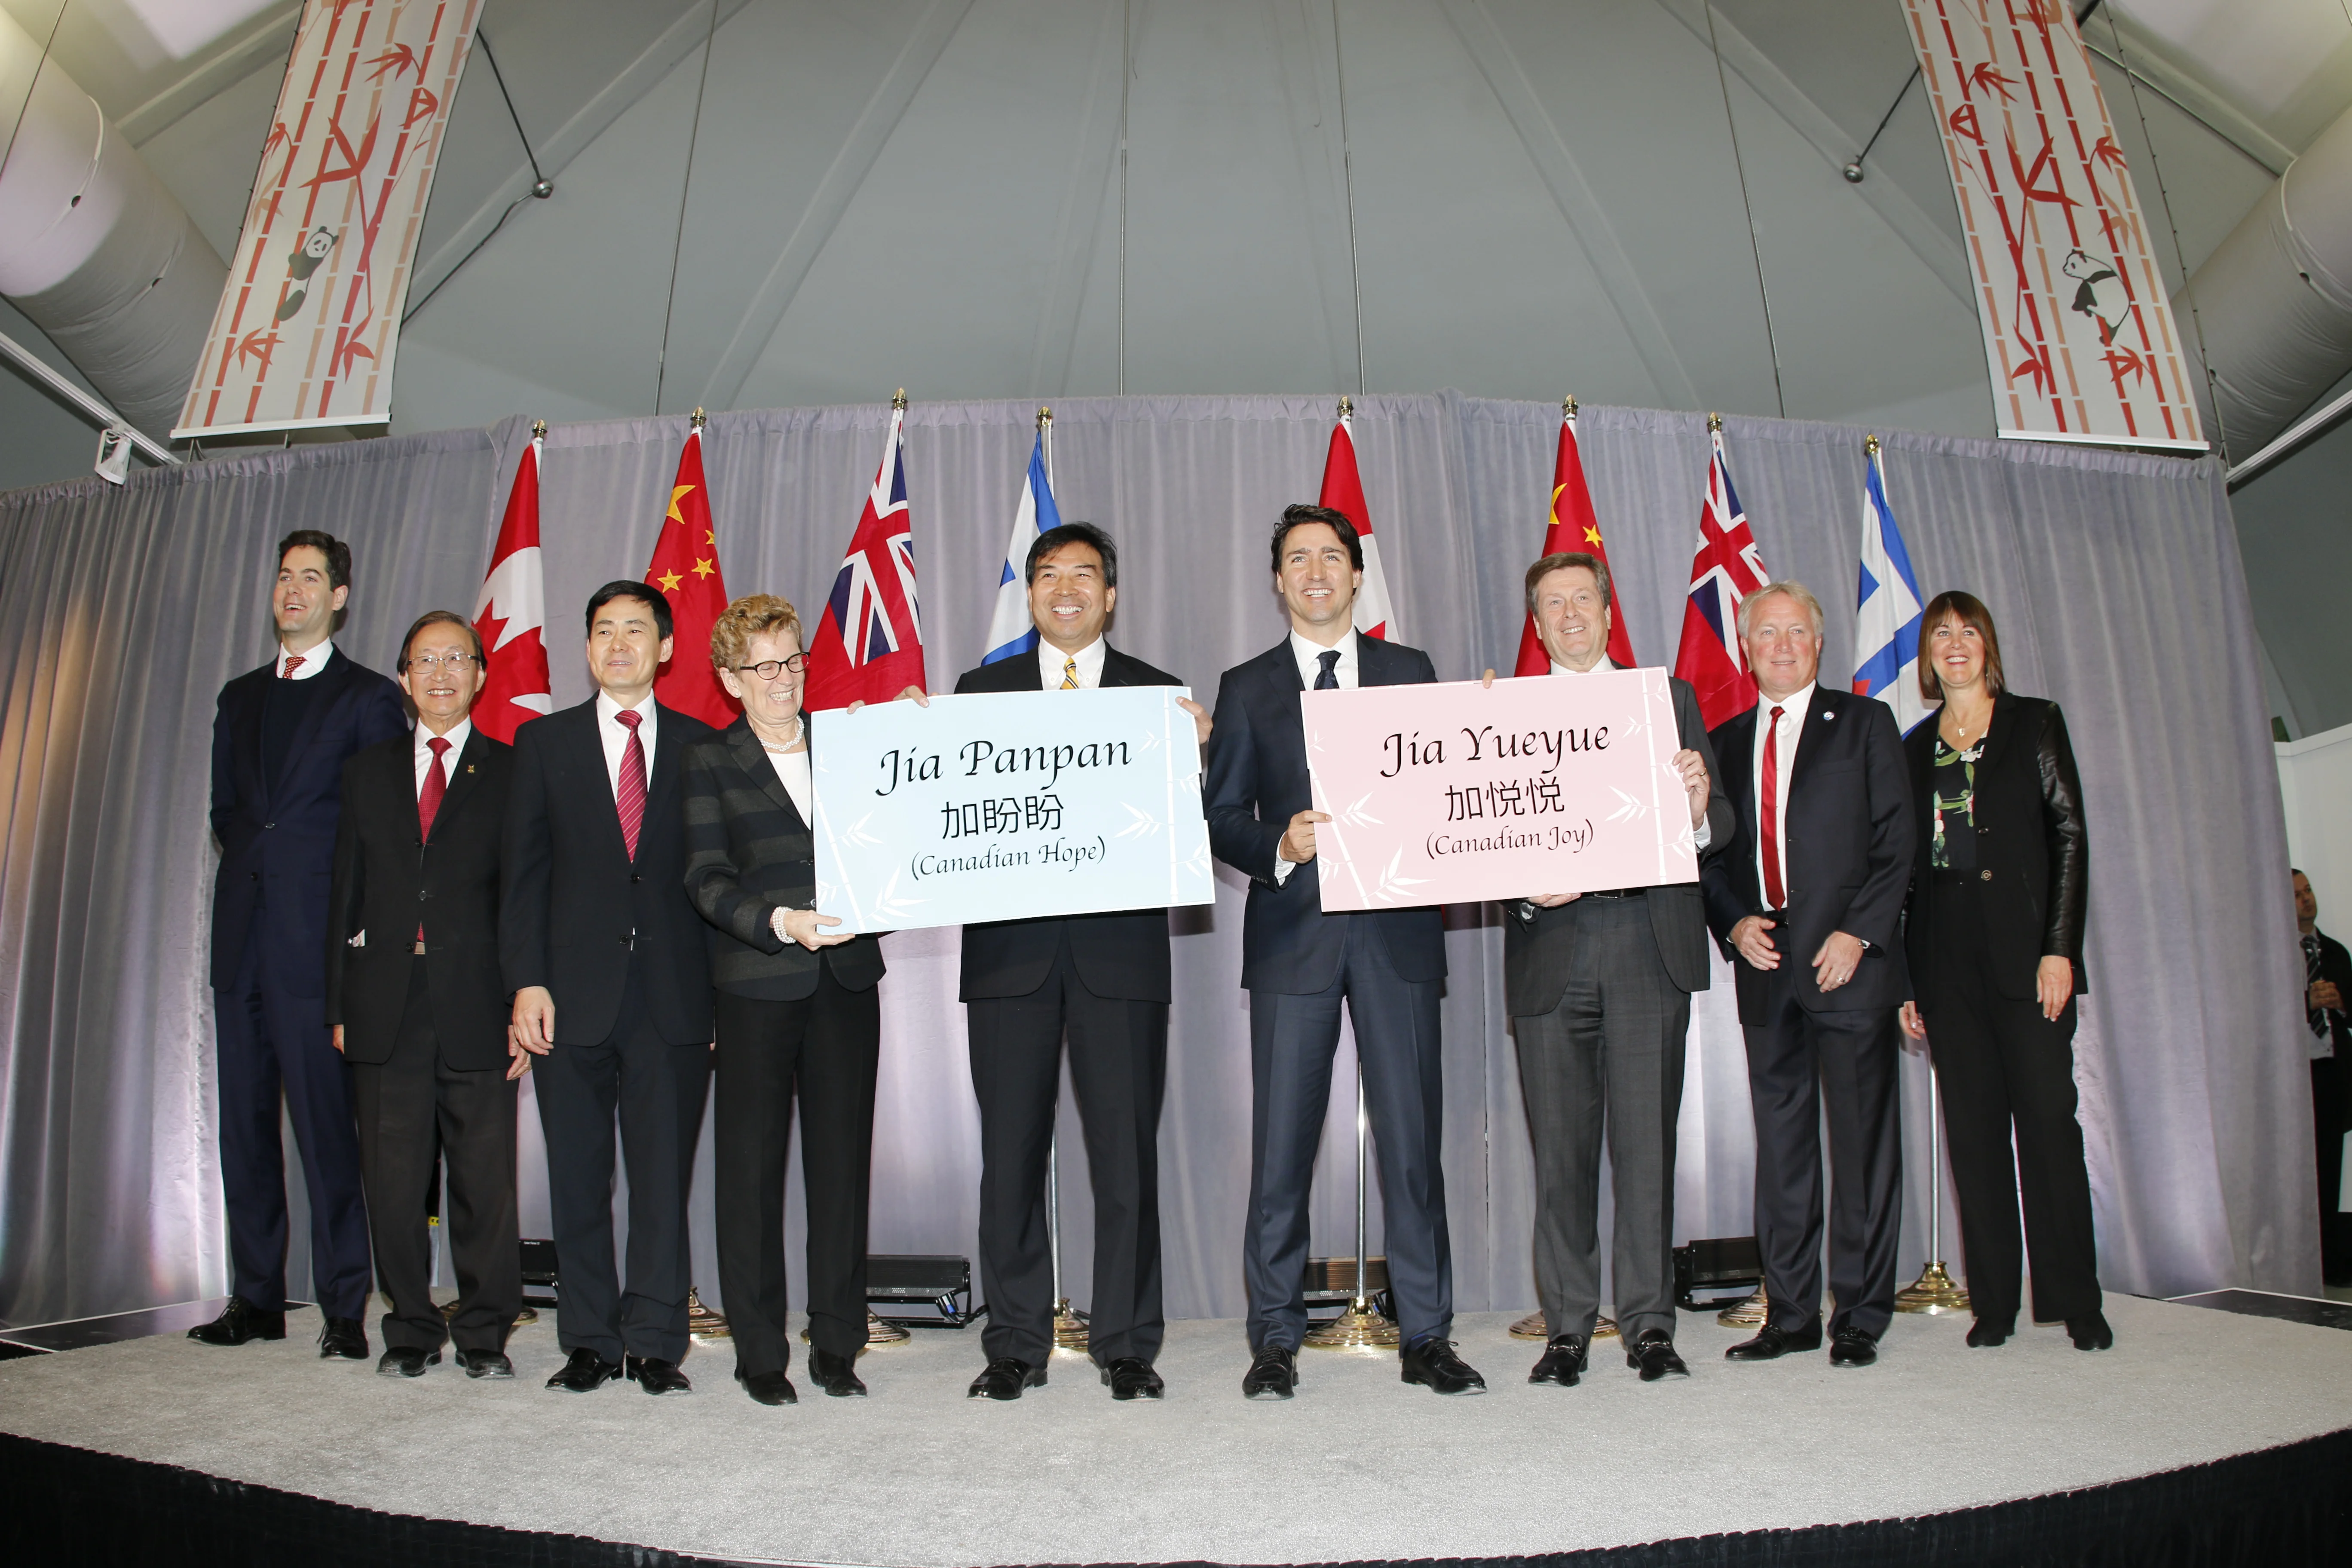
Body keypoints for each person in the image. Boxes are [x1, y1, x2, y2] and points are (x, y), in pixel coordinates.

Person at [1204, 504, 1481, 1399]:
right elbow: (1221, 818)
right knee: (1280, 1151)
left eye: (1333, 557)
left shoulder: (1413, 673)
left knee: (1411, 1148)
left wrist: (1489, 731)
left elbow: (1450, 790)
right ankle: (1275, 1338)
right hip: (1294, 942)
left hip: (1398, 941)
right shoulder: (1246, 687)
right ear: (1278, 580)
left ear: (1358, 576)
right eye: (1298, 559)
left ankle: (1427, 1334)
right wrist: (1278, 847)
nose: (1317, 572)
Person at [946, 522, 1211, 1403]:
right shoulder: (973, 695)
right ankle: (1014, 1341)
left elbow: (1189, 831)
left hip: (1119, 963)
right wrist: (912, 748)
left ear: (1112, 595)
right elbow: (941, 814)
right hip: (1008, 964)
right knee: (1009, 1160)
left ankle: (1128, 1343)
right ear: (1028, 595)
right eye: (1049, 576)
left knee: (1127, 1160)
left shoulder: (1160, 699)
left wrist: (1199, 761)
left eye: (1084, 576)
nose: (1066, 589)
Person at [1498, 554, 1732, 1387]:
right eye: (1552, 604)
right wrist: (1517, 883)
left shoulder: (1665, 701)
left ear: (1608, 610)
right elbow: (1470, 838)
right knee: (1559, 1156)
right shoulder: (1499, 715)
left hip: (1645, 944)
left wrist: (1698, 810)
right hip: (1549, 951)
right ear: (1537, 622)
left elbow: (1723, 821)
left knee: (1645, 1153)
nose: (1569, 615)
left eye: (1582, 599)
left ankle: (1650, 1327)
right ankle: (1568, 1328)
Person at [193, 532, 406, 1357]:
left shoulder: (366, 698)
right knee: (244, 1129)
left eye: (310, 577)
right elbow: (227, 814)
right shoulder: (239, 695)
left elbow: (378, 828)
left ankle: (345, 1306)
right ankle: (254, 1297)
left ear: (339, 596)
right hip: (240, 941)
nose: (293, 589)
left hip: (317, 954)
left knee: (325, 1132)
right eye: (284, 575)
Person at [503, 582, 718, 1395]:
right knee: (578, 1176)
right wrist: (524, 981)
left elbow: (714, 881)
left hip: (673, 998)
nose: (620, 643)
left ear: (666, 647)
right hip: (568, 997)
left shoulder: (705, 746)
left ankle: (658, 1339)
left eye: (636, 629)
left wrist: (719, 1003)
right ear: (587, 648)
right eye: (603, 630)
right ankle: (590, 1337)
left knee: (663, 1178)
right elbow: (522, 880)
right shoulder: (542, 743)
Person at [682, 594, 887, 1407]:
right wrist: (777, 922)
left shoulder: (854, 742)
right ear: (731, 678)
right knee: (750, 1173)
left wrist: (912, 733)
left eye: (792, 659)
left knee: (841, 1172)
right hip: (757, 986)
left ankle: (838, 1341)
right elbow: (703, 878)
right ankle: (760, 1350)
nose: (783, 679)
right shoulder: (708, 760)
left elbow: (903, 833)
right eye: (764, 666)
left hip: (846, 985)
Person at [1701, 581, 1912, 1368]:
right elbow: (1711, 858)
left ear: (1818, 645)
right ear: (1745, 645)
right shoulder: (1722, 741)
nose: (1782, 644)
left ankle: (1858, 1311)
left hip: (1845, 965)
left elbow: (1897, 843)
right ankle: (1788, 1312)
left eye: (1796, 631)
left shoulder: (1864, 723)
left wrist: (1858, 934)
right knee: (1783, 1150)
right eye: (1766, 632)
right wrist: (1733, 921)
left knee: (1860, 1147)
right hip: (1765, 969)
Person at [1896, 592, 2107, 1350]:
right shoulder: (1913, 748)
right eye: (1941, 634)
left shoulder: (2034, 722)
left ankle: (2074, 1298)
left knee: (2048, 1120)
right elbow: (1902, 874)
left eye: (1969, 631)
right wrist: (1906, 986)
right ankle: (1995, 1302)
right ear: (1925, 655)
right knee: (1974, 1134)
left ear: (1988, 645)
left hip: (2028, 953)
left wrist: (2060, 947)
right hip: (1942, 957)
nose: (1955, 644)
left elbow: (2070, 836)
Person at [326, 610, 529, 1379]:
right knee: (394, 1179)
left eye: (456, 659)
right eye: (424, 661)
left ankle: (483, 1334)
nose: (441, 673)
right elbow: (343, 894)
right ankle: (409, 1328)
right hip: (383, 1004)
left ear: (480, 673)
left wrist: (524, 1003)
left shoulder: (511, 771)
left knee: (484, 1184)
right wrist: (337, 1005)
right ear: (405, 678)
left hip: (479, 1003)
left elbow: (522, 901)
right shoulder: (364, 771)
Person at [2293, 869, 2351, 1286]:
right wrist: (2304, 1001)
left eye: (2309, 891)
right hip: (2297, 1075)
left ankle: (2330, 1263)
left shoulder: (2334, 952)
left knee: (2330, 1169)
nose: (2307, 900)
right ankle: (2298, 1261)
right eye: (2297, 895)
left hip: (2332, 1073)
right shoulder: (2276, 954)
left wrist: (2341, 1004)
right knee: (2299, 1172)